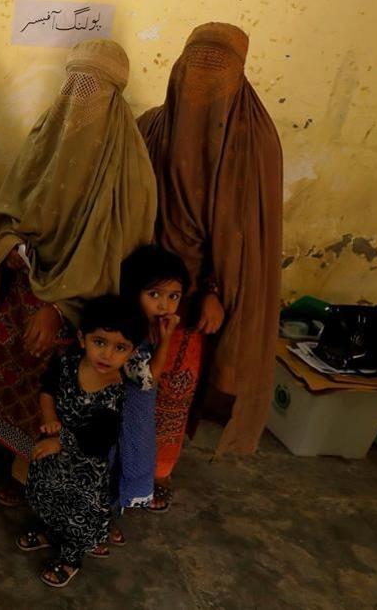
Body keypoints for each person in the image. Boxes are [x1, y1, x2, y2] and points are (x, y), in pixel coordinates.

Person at [0, 39, 156, 504]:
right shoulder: (45, 139)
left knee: (52, 381)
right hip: (24, 286)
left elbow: (120, 255)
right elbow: (7, 215)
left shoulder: (131, 170)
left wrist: (58, 307)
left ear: (115, 95)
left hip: (81, 312)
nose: (80, 97)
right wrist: (14, 248)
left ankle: (28, 472)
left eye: (93, 87)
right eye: (75, 82)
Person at [137, 23, 283, 461]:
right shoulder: (149, 127)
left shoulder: (256, 144)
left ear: (240, 76)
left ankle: (159, 469)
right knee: (129, 378)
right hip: (140, 287)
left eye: (217, 72)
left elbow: (247, 237)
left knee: (176, 387)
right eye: (195, 67)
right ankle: (121, 466)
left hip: (201, 299)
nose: (202, 83)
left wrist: (214, 290)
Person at [15, 296, 145, 589]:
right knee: (44, 493)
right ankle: (49, 531)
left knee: (77, 515)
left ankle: (71, 558)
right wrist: (49, 419)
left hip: (83, 471)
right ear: (81, 338)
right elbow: (47, 389)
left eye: (120, 348)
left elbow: (100, 438)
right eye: (100, 342)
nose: (107, 354)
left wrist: (60, 442)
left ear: (131, 352)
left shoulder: (114, 391)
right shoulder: (66, 364)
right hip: (51, 454)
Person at [106, 245, 191, 546]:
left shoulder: (148, 328)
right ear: (133, 291)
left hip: (133, 414)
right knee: (110, 464)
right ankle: (96, 525)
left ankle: (104, 520)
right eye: (154, 294)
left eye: (173, 297)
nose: (164, 305)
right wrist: (166, 342)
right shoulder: (132, 332)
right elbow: (147, 380)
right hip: (121, 414)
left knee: (121, 464)